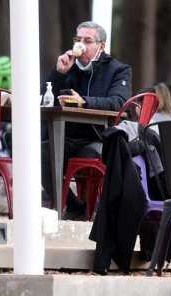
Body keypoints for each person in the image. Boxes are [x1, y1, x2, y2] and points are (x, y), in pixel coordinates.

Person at [41, 21, 131, 216]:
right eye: (78, 39)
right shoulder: (70, 66)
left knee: (92, 154)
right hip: (66, 136)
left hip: (97, 138)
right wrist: (59, 74)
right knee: (41, 153)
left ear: (101, 45)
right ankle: (73, 207)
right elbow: (45, 98)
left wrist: (84, 101)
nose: (80, 45)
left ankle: (92, 209)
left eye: (87, 40)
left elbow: (118, 102)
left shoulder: (117, 70)